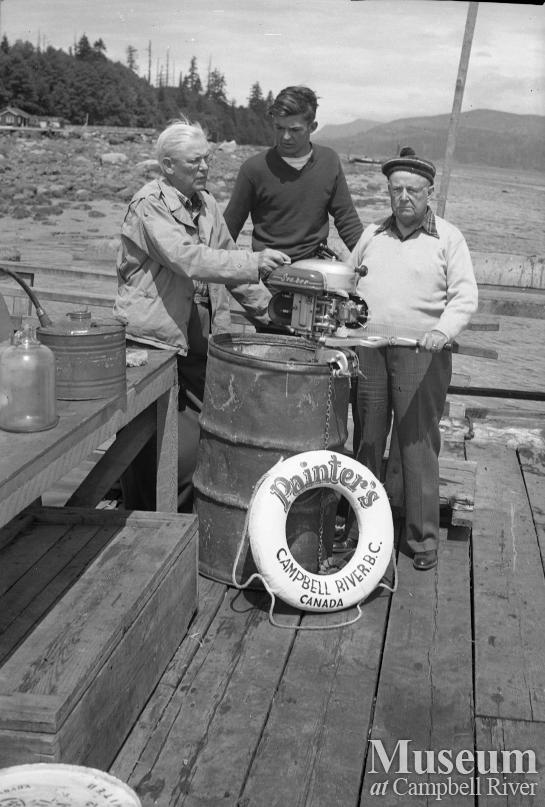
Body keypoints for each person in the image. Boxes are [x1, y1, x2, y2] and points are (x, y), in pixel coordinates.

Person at [113, 119, 289, 511]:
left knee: (198, 434)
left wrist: (272, 312)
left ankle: (183, 517)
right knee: (147, 440)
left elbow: (228, 263)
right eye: (195, 161)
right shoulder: (149, 204)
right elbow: (187, 258)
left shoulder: (206, 204)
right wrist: (254, 262)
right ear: (168, 165)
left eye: (207, 159)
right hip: (154, 339)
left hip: (199, 335)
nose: (205, 167)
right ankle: (144, 517)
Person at [342, 147, 478, 570]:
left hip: (422, 353)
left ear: (428, 193)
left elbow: (465, 296)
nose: (403, 197)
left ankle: (422, 540)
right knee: (367, 439)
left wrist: (443, 331)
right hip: (369, 349)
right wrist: (345, 318)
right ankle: (361, 528)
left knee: (417, 445)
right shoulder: (372, 234)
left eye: (412, 190)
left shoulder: (448, 238)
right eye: (396, 189)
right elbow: (347, 281)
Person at [223, 85, 363, 262]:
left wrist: (369, 259)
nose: (285, 137)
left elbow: (347, 220)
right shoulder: (253, 168)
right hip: (268, 267)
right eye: (279, 128)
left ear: (312, 127)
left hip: (315, 265)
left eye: (294, 130)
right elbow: (228, 229)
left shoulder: (329, 161)